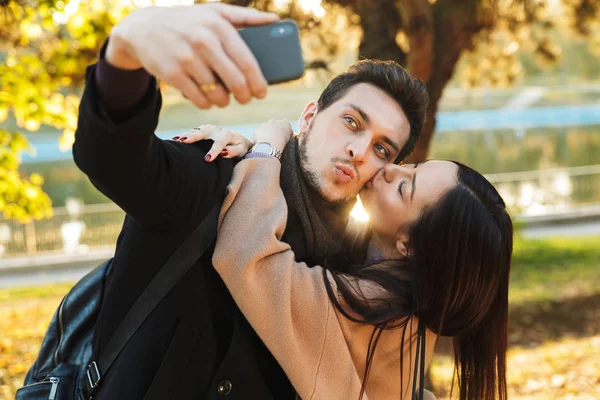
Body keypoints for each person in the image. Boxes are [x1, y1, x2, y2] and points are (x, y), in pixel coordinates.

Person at [72, 3, 429, 399]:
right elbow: (110, 158)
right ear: (309, 117)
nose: (360, 150)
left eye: (382, 148)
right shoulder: (212, 174)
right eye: (351, 122)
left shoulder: (353, 271)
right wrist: (125, 54)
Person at [193, 120, 513, 400]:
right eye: (414, 166)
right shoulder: (415, 301)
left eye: (404, 187)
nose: (390, 169)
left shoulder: (371, 309)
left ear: (410, 245)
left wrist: (267, 149)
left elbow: (247, 259)